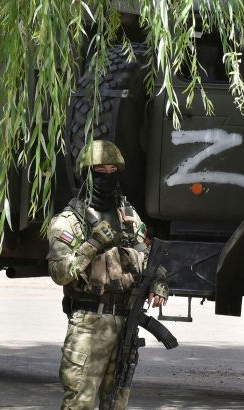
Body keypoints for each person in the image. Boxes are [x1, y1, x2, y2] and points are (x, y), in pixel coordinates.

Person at [46, 140, 168, 410]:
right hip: (89, 324)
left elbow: (146, 256)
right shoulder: (69, 221)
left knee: (117, 403)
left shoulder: (128, 217)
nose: (107, 176)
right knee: (79, 403)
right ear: (86, 175)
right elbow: (60, 273)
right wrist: (92, 244)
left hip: (126, 322)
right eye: (100, 171)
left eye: (113, 171)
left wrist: (159, 282)